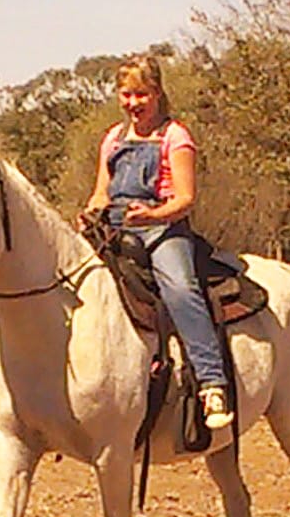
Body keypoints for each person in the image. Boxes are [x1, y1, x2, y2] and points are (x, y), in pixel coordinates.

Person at [83, 56, 233, 434]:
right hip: (116, 226)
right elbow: (102, 192)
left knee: (181, 288)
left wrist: (151, 217)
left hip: (163, 228)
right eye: (127, 94)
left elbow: (185, 198)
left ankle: (212, 384)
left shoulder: (175, 136)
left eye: (141, 94)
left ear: (157, 93)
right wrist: (90, 214)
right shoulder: (113, 139)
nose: (133, 103)